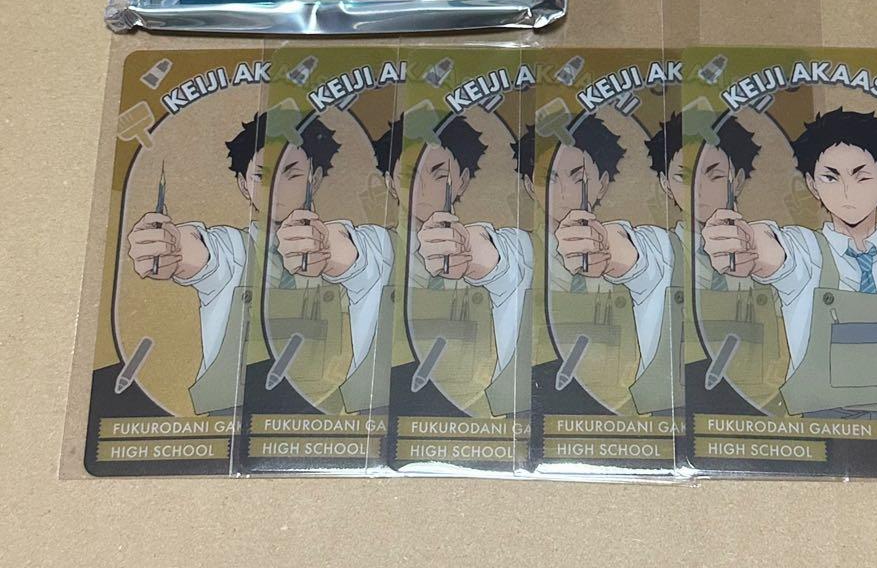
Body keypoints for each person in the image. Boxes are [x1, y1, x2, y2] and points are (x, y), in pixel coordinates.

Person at [126, 113, 392, 414]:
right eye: (261, 176)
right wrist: (171, 248)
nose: (275, 187)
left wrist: (332, 251)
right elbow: (203, 252)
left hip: (326, 420)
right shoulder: (232, 251)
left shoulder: (362, 249)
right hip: (233, 420)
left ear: (315, 178)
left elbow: (361, 255)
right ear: (243, 184)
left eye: (291, 174)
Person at [704, 108, 877, 419]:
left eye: (861, 176)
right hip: (822, 426)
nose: (847, 191)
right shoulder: (805, 253)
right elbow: (772, 249)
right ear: (813, 185)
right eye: (831, 177)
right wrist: (744, 244)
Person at [382, 114, 532, 415]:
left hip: (482, 410)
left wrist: (480, 258)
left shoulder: (500, 247)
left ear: (462, 180)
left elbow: (505, 260)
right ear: (390, 182)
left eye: (439, 175)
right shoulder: (379, 250)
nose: (423, 189)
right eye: (410, 176)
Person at [648, 112, 787, 410]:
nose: (698, 190)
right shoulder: (658, 253)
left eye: (714, 175)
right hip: (674, 412)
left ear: (738, 180)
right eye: (683, 177)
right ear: (664, 183)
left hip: (757, 412)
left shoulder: (772, 254)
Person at [544, 116, 678, 413]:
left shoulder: (647, 248)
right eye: (550, 179)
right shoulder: (519, 252)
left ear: (602, 184)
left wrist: (606, 249)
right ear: (530, 186)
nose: (564, 192)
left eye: (577, 178)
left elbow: (641, 258)